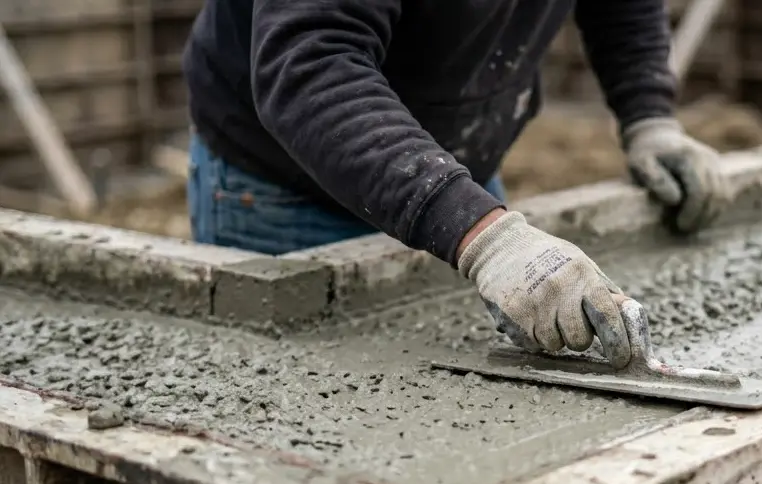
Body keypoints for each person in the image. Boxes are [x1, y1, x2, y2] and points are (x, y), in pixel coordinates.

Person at [182, 0, 731, 368]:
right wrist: (483, 236)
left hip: (454, 165)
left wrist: (648, 116)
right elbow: (311, 62)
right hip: (289, 183)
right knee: (310, 423)